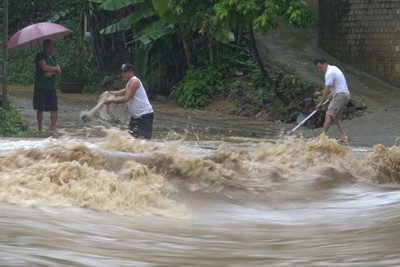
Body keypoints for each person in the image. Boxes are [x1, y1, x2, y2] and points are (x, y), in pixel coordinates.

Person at [104, 63, 154, 139]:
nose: (122, 74)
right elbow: (125, 90)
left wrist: (111, 100)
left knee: (143, 142)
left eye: (125, 72)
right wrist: (112, 93)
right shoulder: (130, 82)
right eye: (121, 72)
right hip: (136, 117)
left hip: (145, 116)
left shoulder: (134, 82)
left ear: (131, 73)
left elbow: (126, 98)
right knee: (131, 140)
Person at [314, 59, 351, 143]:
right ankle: (344, 136)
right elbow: (338, 84)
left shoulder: (329, 73)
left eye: (320, 67)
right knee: (335, 117)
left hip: (340, 95)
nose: (320, 70)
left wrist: (321, 103)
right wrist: (332, 93)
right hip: (344, 95)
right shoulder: (333, 68)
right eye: (318, 69)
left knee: (328, 115)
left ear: (325, 64)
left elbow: (326, 89)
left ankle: (323, 137)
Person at [33, 39, 61, 132]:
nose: (51, 48)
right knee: (40, 108)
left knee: (54, 108)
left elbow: (59, 71)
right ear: (44, 47)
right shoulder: (40, 56)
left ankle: (53, 127)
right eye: (49, 46)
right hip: (40, 86)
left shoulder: (53, 58)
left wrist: (51, 73)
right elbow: (44, 67)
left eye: (52, 46)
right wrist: (54, 69)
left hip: (51, 86)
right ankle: (40, 128)